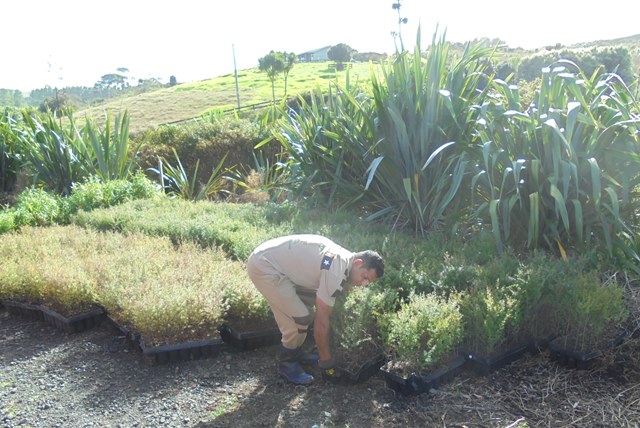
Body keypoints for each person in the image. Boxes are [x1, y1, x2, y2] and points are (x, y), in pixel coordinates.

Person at [246, 234, 384, 385]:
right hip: (265, 266)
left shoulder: (345, 261)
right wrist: (326, 362)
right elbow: (322, 320)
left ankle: (296, 351)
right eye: (364, 277)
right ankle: (287, 364)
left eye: (368, 282)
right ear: (358, 263)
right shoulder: (336, 270)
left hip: (276, 263)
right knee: (299, 319)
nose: (363, 284)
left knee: (305, 309)